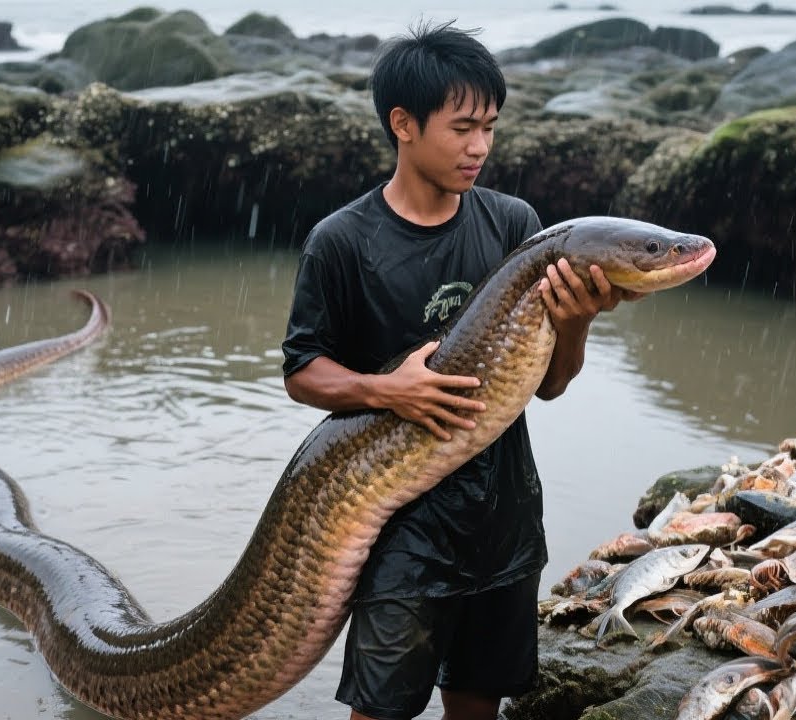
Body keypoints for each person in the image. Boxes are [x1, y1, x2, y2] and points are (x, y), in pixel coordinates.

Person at [281, 21, 641, 720]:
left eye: (491, 128)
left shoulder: (515, 226)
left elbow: (552, 385)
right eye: (463, 127)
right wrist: (385, 389)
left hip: (501, 516)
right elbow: (303, 373)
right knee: (380, 710)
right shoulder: (342, 242)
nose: (480, 147)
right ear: (403, 124)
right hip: (396, 524)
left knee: (477, 705)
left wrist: (579, 319)